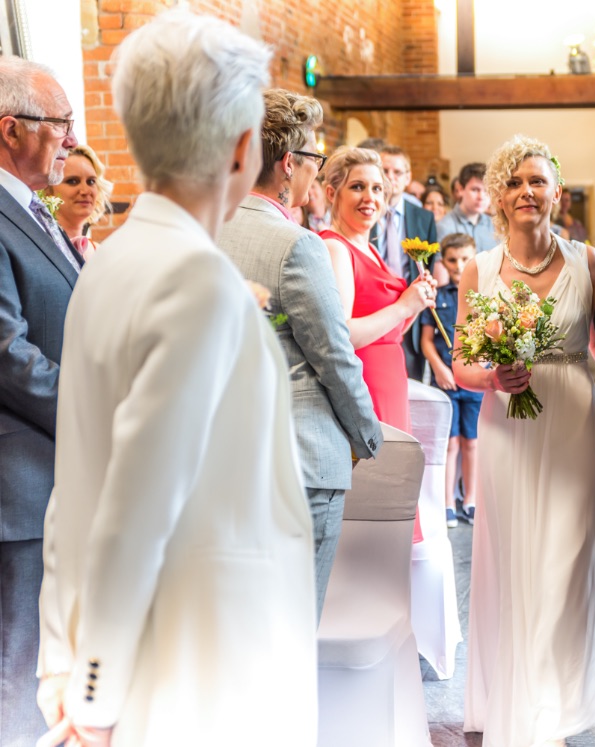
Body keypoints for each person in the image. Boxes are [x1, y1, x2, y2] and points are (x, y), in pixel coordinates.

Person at [36, 12, 319, 746]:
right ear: (242, 148)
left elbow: (76, 482)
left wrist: (63, 659)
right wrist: (94, 695)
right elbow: (135, 504)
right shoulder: (199, 282)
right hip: (204, 664)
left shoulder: (109, 266)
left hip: (153, 655)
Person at [453, 135, 595, 747]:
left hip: (574, 422)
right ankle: (524, 703)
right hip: (509, 427)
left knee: (567, 562)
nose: (526, 191)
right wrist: (491, 377)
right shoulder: (478, 269)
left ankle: (556, 699)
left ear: (557, 192)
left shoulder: (588, 261)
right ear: (499, 198)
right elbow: (462, 363)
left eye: (537, 181)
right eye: (514, 182)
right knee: (516, 563)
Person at [217, 88, 382, 619]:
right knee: (291, 627)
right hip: (299, 460)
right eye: (314, 158)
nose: (316, 170)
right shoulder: (296, 244)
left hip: (222, 455)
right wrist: (368, 435)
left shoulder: (205, 230)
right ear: (289, 164)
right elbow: (333, 354)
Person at [0, 53, 81, 747]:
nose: (72, 139)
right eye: (60, 122)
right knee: (16, 665)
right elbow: (7, 352)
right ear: (11, 129)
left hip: (51, 476)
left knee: (44, 664)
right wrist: (94, 409)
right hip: (18, 486)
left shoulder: (33, 212)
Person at [321, 146, 435, 434]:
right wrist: (403, 306)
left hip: (390, 379)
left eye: (377, 188)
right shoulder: (335, 248)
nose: (370, 197)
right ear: (332, 193)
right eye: (357, 187)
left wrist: (415, 301)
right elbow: (343, 335)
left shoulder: (369, 249)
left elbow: (389, 331)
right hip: (365, 385)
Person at [420, 232, 481, 528]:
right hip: (446, 383)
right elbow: (426, 341)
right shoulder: (437, 298)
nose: (459, 265)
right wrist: (439, 368)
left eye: (465, 258)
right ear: (443, 262)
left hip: (474, 382)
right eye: (453, 260)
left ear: (475, 258)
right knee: (450, 443)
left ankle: (470, 499)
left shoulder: (482, 297)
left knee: (472, 442)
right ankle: (447, 502)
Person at [368, 144, 442, 380]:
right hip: (372, 311)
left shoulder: (423, 217)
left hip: (412, 313)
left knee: (411, 381)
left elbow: (428, 265)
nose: (391, 177)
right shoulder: (366, 211)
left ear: (408, 177)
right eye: (385, 170)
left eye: (397, 172)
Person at [45, 144, 110, 261]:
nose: (85, 191)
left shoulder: (100, 253)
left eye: (91, 181)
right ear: (48, 190)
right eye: (73, 181)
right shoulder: (43, 248)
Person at [437, 161, 498, 252]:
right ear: (460, 189)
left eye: (486, 191)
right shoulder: (445, 226)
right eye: (475, 190)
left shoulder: (494, 226)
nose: (481, 197)